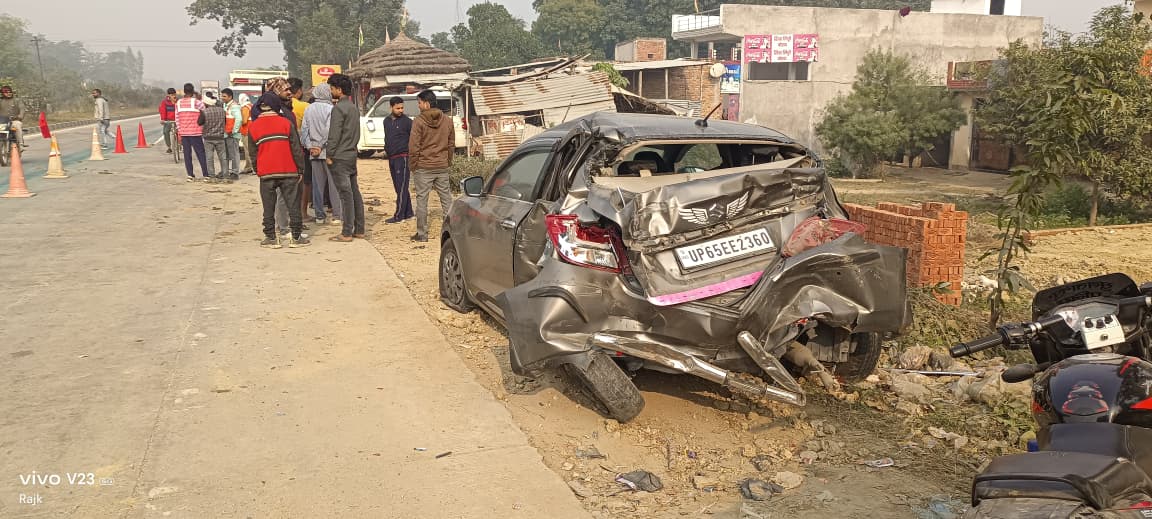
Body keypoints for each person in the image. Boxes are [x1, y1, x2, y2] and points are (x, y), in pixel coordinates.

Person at [248, 92, 309, 248]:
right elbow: (296, 149)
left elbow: (252, 153)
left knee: (268, 208)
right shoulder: (286, 123)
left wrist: (258, 170)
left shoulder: (253, 127)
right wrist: (300, 169)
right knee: (293, 205)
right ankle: (296, 238)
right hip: (289, 171)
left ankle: (271, 238)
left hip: (266, 173)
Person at [408, 89, 455, 242]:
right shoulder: (447, 120)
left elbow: (414, 146)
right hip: (441, 166)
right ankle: (451, 233)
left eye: (420, 103)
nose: (419, 106)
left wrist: (413, 165)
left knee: (422, 201)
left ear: (427, 103)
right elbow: (451, 144)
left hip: (423, 167)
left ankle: (422, 234)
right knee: (446, 200)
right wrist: (447, 161)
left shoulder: (419, 121)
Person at [325, 73, 365, 242]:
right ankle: (359, 229)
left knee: (345, 195)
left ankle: (346, 232)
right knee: (354, 192)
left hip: (339, 156)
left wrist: (329, 154)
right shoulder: (353, 107)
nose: (331, 91)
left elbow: (334, 135)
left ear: (339, 90)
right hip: (351, 154)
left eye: (332, 88)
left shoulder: (338, 109)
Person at [300, 83, 343, 225]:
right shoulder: (331, 109)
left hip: (313, 152)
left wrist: (310, 146)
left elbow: (304, 130)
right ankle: (337, 214)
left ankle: (319, 215)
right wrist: (321, 145)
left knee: (317, 185)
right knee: (333, 184)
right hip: (328, 151)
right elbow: (329, 130)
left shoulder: (308, 109)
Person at [383, 97, 414, 224]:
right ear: (391, 107)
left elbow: (413, 140)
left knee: (401, 186)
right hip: (392, 157)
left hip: (403, 157)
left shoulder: (407, 122)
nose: (400, 110)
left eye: (402, 108)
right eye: (397, 108)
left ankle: (399, 215)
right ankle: (408, 212)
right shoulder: (386, 121)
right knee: (398, 186)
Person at [288, 78, 313, 224]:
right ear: (298, 91)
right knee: (305, 181)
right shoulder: (304, 106)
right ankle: (303, 213)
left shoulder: (282, 106)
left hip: (286, 148)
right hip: (302, 148)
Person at [198, 93, 229, 182]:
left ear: (207, 104)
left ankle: (212, 177)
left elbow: (199, 123)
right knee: (223, 157)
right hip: (220, 137)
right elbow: (225, 122)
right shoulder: (222, 111)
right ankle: (225, 176)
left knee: (209, 158)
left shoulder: (204, 112)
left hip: (208, 138)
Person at [221, 88, 242, 181]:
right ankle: (226, 171)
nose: (222, 98)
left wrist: (234, 131)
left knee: (234, 155)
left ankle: (235, 172)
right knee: (227, 154)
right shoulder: (226, 105)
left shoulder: (234, 106)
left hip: (232, 135)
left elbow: (239, 119)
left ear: (230, 97)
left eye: (224, 96)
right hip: (227, 134)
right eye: (222, 96)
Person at [237, 93, 254, 174]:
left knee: (248, 151)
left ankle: (250, 167)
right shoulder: (252, 106)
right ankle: (250, 167)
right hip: (253, 131)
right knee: (253, 150)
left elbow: (244, 121)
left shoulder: (245, 108)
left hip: (246, 131)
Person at [158, 88, 177, 153]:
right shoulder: (164, 102)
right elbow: (163, 111)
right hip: (168, 121)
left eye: (174, 94)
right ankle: (169, 147)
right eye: (171, 95)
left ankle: (180, 144)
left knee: (181, 132)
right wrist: (163, 119)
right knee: (165, 132)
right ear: (168, 95)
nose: (173, 96)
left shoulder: (178, 101)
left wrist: (174, 102)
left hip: (177, 120)